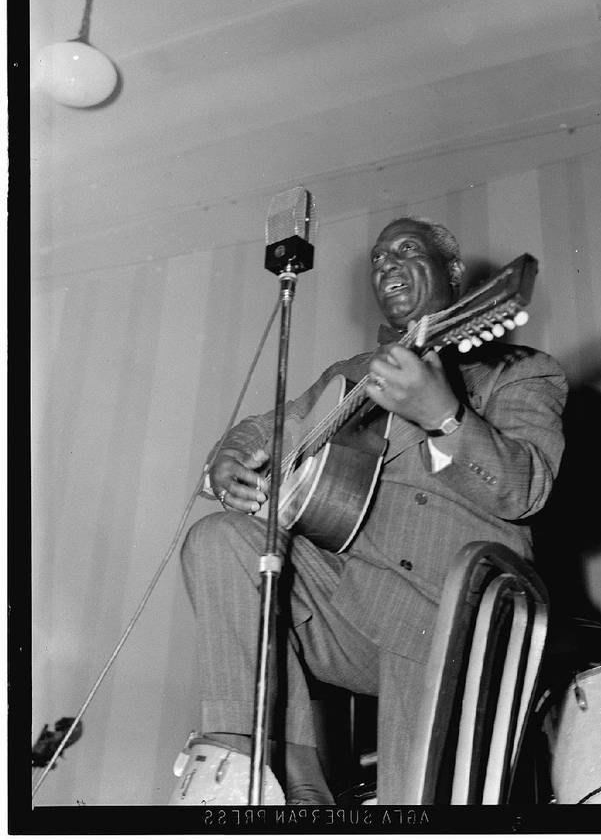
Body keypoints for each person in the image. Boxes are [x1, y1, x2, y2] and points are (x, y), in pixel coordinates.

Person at [172, 216, 568, 805]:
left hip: (451, 613)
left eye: (406, 251)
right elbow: (265, 427)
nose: (385, 265)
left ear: (454, 275)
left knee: (418, 803)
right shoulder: (349, 376)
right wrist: (228, 455)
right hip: (351, 607)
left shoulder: (520, 371)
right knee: (220, 539)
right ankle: (262, 776)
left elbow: (525, 488)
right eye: (378, 258)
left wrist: (446, 417)